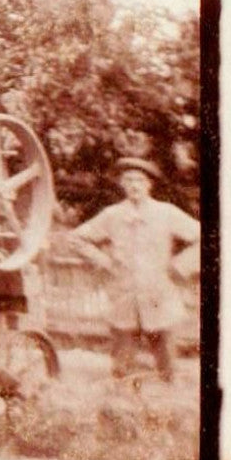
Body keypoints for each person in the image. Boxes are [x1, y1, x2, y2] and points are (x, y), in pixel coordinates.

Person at [68, 157, 200, 382]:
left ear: (149, 184)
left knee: (167, 365)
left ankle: (167, 398)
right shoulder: (112, 215)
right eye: (128, 180)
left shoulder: (166, 213)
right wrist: (103, 260)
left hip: (159, 294)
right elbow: (75, 238)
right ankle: (123, 401)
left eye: (139, 180)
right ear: (122, 185)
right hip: (124, 295)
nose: (134, 186)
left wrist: (180, 266)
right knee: (122, 366)